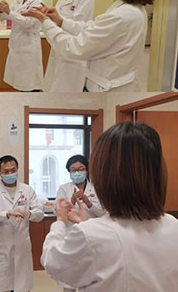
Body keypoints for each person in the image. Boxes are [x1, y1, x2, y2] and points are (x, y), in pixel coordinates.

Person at [41, 123, 178, 291]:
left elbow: (54, 263)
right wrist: (86, 223)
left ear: (103, 175)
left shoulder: (92, 235)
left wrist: (60, 221)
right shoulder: (173, 226)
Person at [23, 0, 157, 92]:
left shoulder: (121, 16)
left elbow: (74, 47)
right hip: (102, 80)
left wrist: (45, 21)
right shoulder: (128, 9)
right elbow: (91, 27)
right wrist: (60, 21)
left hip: (106, 88)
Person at [0, 155, 44, 292]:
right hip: (1, 247)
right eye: (6, 171)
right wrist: (7, 214)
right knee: (0, 286)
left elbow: (39, 214)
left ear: (17, 169)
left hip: (21, 246)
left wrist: (29, 213)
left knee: (21, 286)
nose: (10, 174)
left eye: (13, 170)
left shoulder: (27, 190)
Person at [44, 0, 95, 92]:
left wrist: (58, 20)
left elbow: (77, 27)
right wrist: (46, 15)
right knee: (53, 88)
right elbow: (57, 18)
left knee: (68, 92)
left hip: (73, 50)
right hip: (59, 47)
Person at [55, 154, 104, 292]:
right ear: (69, 172)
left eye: (81, 169)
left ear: (87, 170)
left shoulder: (97, 188)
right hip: (70, 235)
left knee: (91, 275)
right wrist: (71, 200)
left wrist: (88, 202)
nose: (77, 172)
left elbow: (103, 213)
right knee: (69, 277)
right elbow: (57, 211)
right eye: (73, 170)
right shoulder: (64, 189)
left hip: (92, 236)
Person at [0, 0, 44, 91]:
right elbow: (2, 18)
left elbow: (28, 22)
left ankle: (32, 102)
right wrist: (2, 10)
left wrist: (9, 12)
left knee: (30, 85)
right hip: (17, 48)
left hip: (29, 49)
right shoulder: (18, 2)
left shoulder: (38, 4)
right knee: (20, 83)